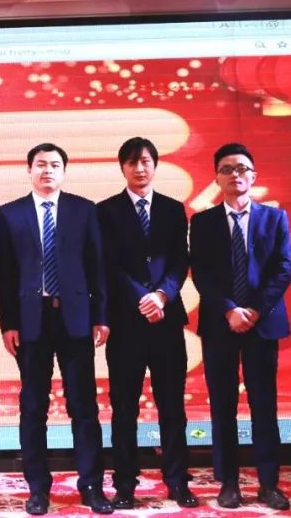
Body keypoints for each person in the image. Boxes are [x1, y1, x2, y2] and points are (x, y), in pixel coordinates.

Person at [0, 143, 113, 515]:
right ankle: (37, 489)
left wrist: (101, 315)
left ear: (64, 171)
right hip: (32, 321)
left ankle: (91, 486)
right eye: (41, 164)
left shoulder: (83, 209)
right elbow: (5, 274)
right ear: (29, 170)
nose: (47, 170)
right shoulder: (10, 213)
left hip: (76, 319)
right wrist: (9, 323)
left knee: (83, 406)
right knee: (33, 407)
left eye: (55, 164)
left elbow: (97, 266)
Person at [190, 143, 291, 512]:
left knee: (264, 404)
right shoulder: (202, 222)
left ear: (253, 175)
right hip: (220, 324)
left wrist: (254, 310)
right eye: (227, 169)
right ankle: (229, 483)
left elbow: (283, 269)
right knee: (223, 405)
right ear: (217, 178)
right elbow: (201, 273)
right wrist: (230, 309)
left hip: (262, 325)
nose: (235, 174)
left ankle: (269, 484)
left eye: (242, 168)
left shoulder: (274, 218)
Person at [96, 137, 197, 510]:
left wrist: (163, 295)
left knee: (172, 407)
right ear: (122, 167)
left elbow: (180, 259)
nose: (139, 168)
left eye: (145, 161)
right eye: (132, 162)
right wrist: (142, 296)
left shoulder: (172, 209)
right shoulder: (105, 211)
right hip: (126, 322)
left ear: (155, 165)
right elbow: (108, 264)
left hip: (166, 321)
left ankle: (177, 481)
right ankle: (125, 484)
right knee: (124, 408)